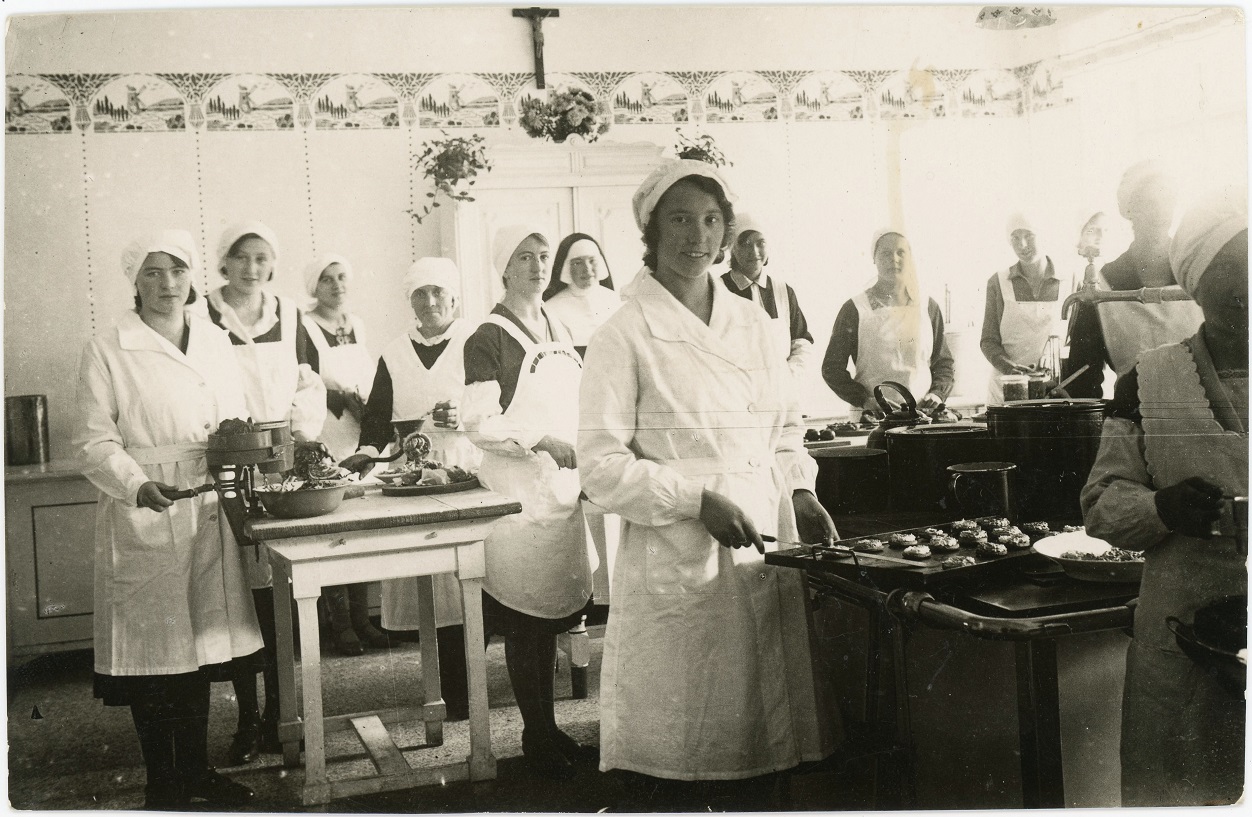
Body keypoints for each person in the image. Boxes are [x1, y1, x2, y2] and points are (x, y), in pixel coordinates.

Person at [578, 159, 839, 790]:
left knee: (771, 734)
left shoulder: (757, 324)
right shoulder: (624, 332)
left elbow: (784, 427)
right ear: (651, 231)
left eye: (711, 220)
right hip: (679, 545)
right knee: (691, 740)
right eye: (679, 220)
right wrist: (696, 501)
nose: (697, 236)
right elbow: (601, 467)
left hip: (765, 533)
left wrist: (799, 488)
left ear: (726, 230)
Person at [74, 231, 261, 809]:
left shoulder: (214, 339)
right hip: (146, 507)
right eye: (152, 272)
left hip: (206, 501)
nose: (167, 284)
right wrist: (136, 484)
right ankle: (163, 785)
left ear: (193, 277)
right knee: (156, 656)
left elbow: (236, 416)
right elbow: (92, 440)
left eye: (177, 271)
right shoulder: (108, 347)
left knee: (198, 649)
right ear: (134, 280)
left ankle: (197, 773)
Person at [1080, 187, 1247, 807]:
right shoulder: (1145, 381)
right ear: (1195, 281)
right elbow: (1101, 501)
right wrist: (1159, 509)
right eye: (1226, 270)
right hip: (1180, 640)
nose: (1244, 288)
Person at [461, 225, 595, 778]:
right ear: (504, 268)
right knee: (524, 622)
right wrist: (540, 440)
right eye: (524, 258)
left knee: (551, 620)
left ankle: (547, 730)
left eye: (542, 256)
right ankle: (535, 734)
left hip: (560, 493)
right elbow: (478, 422)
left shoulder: (559, 326)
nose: (537, 266)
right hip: (516, 497)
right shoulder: (486, 337)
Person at [205, 221, 327, 765]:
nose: (252, 268)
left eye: (262, 258)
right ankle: (247, 717)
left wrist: (298, 432)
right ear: (223, 263)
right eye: (242, 258)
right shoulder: (204, 315)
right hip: (227, 468)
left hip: (279, 467)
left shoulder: (291, 315)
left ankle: (283, 713)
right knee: (237, 598)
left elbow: (308, 383)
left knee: (279, 592)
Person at [340, 257, 482, 716]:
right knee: (433, 584)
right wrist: (365, 452)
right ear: (410, 301)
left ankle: (469, 687)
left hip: (465, 469)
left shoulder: (475, 340)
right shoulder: (395, 352)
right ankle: (446, 690)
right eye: (420, 293)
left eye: (438, 291)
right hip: (412, 477)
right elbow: (377, 421)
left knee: (469, 578)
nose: (430, 301)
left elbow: (496, 402)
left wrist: (463, 415)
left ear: (454, 296)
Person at [299, 254, 387, 657]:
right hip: (326, 431)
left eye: (341, 277)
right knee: (333, 527)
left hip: (357, 434)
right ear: (313, 286)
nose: (336, 285)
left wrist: (366, 408)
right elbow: (303, 384)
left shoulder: (357, 324)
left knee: (359, 527)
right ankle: (340, 624)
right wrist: (342, 399)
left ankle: (363, 619)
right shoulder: (304, 326)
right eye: (327, 279)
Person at [1062, 161, 1204, 398]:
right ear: (1128, 209)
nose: (1160, 212)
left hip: (1204, 415)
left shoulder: (1196, 271)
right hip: (1133, 417)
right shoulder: (1104, 284)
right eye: (1149, 203)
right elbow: (1083, 381)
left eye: (1167, 200)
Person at [821, 229, 955, 414]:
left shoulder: (928, 306)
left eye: (901, 252)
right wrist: (864, 400)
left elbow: (944, 363)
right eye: (885, 253)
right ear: (874, 259)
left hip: (923, 416)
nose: (894, 259)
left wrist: (937, 394)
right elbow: (832, 368)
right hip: (873, 418)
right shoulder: (855, 309)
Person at [979, 212, 1069, 404]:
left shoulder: (1069, 280)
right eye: (1015, 238)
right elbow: (988, 341)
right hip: (1006, 388)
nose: (1022, 244)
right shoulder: (998, 282)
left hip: (1053, 389)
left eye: (1029, 235)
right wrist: (1010, 369)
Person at [720, 212, 815, 377]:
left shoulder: (783, 291)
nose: (754, 251)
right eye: (745, 243)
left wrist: (788, 376)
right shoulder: (718, 290)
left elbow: (801, 341)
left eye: (760, 243)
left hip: (781, 387)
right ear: (732, 248)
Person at [541, 233, 622, 357]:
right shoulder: (550, 310)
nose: (587, 269)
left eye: (592, 261)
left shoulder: (617, 301)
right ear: (566, 267)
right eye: (578, 263)